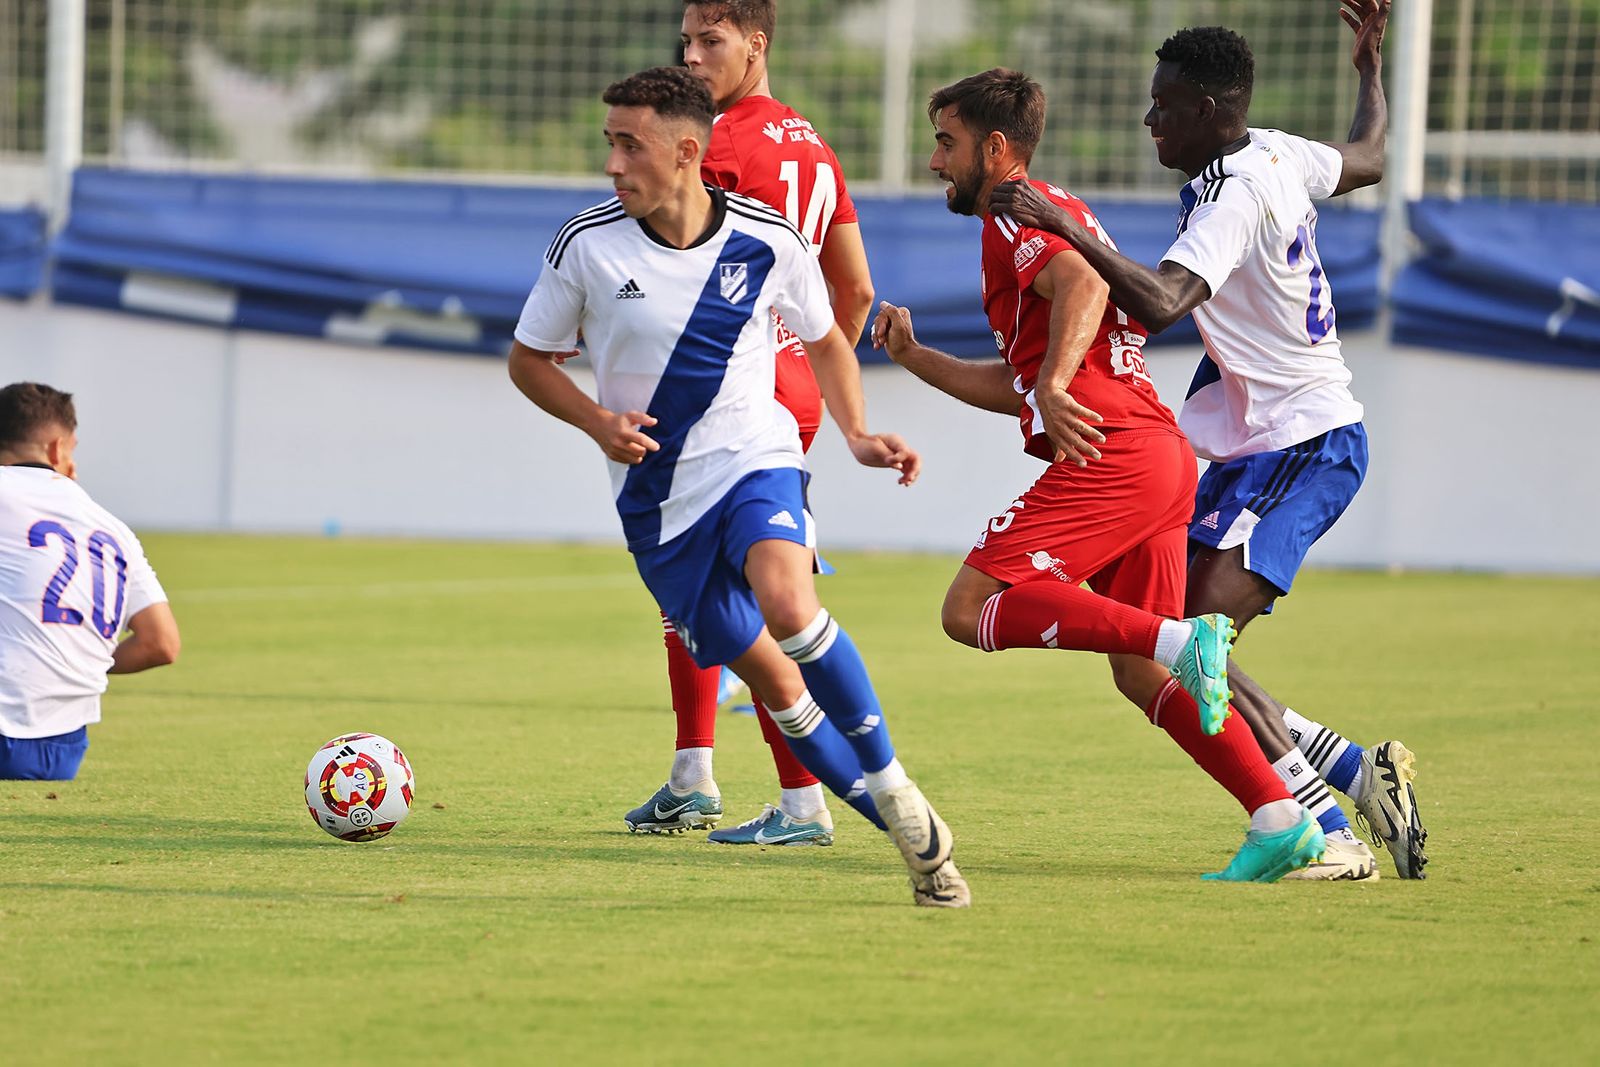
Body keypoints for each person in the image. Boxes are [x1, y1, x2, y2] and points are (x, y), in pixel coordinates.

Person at [508, 67, 968, 907]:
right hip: (655, 507)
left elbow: (827, 336)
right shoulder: (587, 246)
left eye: (629, 145)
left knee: (789, 603)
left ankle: (894, 777)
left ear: (687, 151)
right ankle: (913, 840)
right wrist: (595, 422)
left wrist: (859, 433)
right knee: (781, 687)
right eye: (608, 142)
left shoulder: (766, 238)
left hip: (756, 458)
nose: (612, 164)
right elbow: (528, 360)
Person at [989, 1, 1426, 879]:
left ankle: (1326, 835)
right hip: (1246, 447)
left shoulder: (1232, 196)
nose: (1149, 120)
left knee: (1188, 639)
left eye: (1164, 106)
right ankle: (1347, 770)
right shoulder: (1277, 149)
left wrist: (1065, 225)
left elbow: (1161, 301)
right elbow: (1372, 157)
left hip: (1306, 444)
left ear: (1210, 113)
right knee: (1159, 642)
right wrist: (1369, 69)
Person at [873, 69, 1321, 883]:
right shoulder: (1052, 207)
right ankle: (1279, 814)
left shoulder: (1012, 211)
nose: (936, 161)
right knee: (1138, 671)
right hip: (1155, 453)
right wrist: (917, 360)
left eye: (947, 142)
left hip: (1111, 451)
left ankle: (1186, 637)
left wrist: (1053, 384)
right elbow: (1018, 378)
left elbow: (1078, 289)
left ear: (995, 148)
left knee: (969, 607)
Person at [619, 0, 888, 847]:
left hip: (728, 385)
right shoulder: (814, 145)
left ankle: (798, 798)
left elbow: (679, 261)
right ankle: (694, 771)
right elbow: (854, 291)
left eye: (712, 41)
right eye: (687, 41)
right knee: (709, 591)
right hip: (790, 380)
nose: (692, 56)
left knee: (732, 598)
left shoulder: (718, 142)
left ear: (756, 43)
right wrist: (812, 363)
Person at [0, 382, 180, 780]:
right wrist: (74, 659)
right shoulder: (113, 529)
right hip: (62, 750)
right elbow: (161, 644)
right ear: (55, 448)